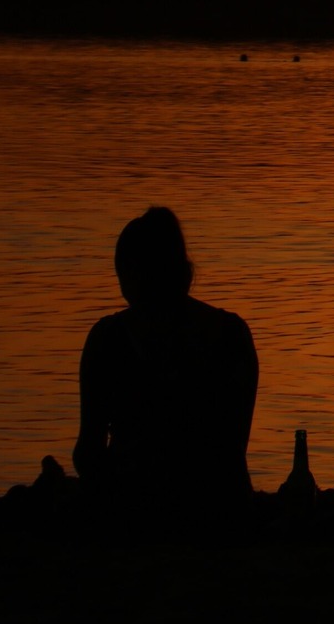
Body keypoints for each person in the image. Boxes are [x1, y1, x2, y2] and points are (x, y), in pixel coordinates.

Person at [73, 207, 258, 527]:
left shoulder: (108, 339)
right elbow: (233, 448)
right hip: (221, 507)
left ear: (132, 273)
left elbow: (88, 451)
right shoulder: (231, 333)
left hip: (132, 508)